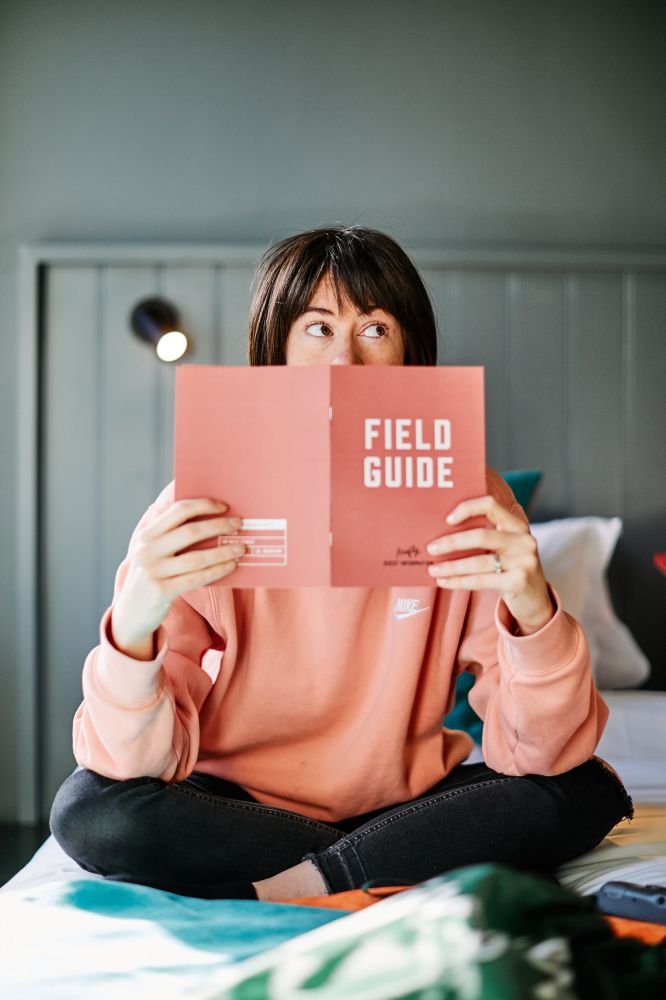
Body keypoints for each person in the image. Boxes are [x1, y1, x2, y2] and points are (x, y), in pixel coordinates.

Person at [50, 225, 632, 902]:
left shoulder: (472, 497)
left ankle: (304, 880)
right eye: (318, 328)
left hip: (401, 797)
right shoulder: (196, 499)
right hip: (240, 807)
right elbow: (126, 760)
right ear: (277, 347)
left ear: (410, 349)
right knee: (89, 810)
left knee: (585, 788)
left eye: (376, 329)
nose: (346, 363)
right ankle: (369, 866)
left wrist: (534, 611)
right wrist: (136, 624)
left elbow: (543, 755)